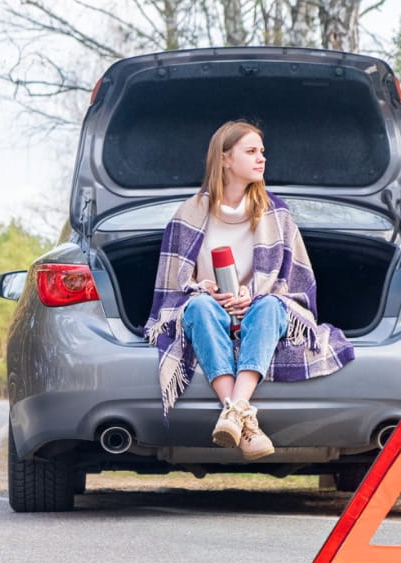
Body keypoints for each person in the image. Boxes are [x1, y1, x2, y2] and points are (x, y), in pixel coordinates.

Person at [144, 120, 355, 460]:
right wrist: (205, 288)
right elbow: (177, 283)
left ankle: (234, 411)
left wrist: (253, 294)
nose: (262, 158)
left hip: (260, 311)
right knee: (198, 307)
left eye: (262, 152)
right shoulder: (189, 213)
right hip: (212, 310)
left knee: (270, 306)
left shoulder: (276, 213)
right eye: (251, 151)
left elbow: (294, 283)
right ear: (225, 158)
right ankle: (244, 422)